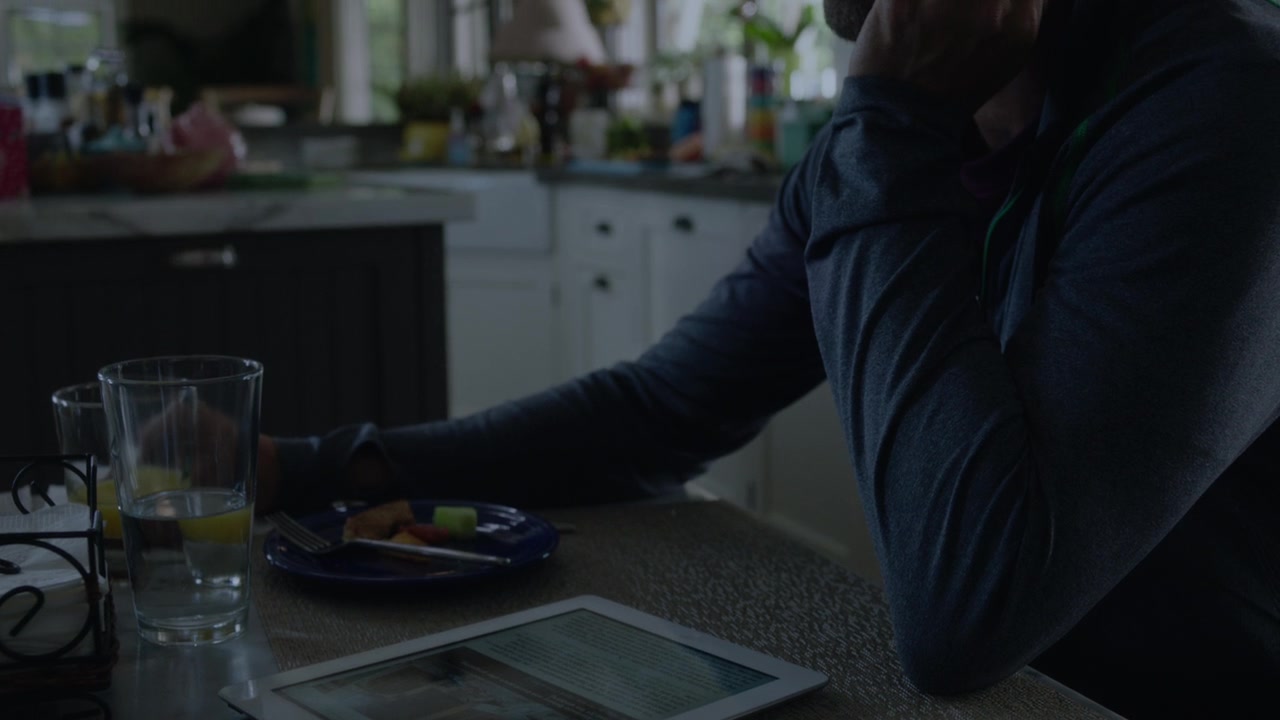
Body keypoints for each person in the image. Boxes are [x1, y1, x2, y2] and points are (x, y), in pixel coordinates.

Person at [256, 0, 1280, 716]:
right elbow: (661, 409)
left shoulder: (1226, 102)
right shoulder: (901, 132)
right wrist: (310, 467)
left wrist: (892, 120)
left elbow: (970, 614)